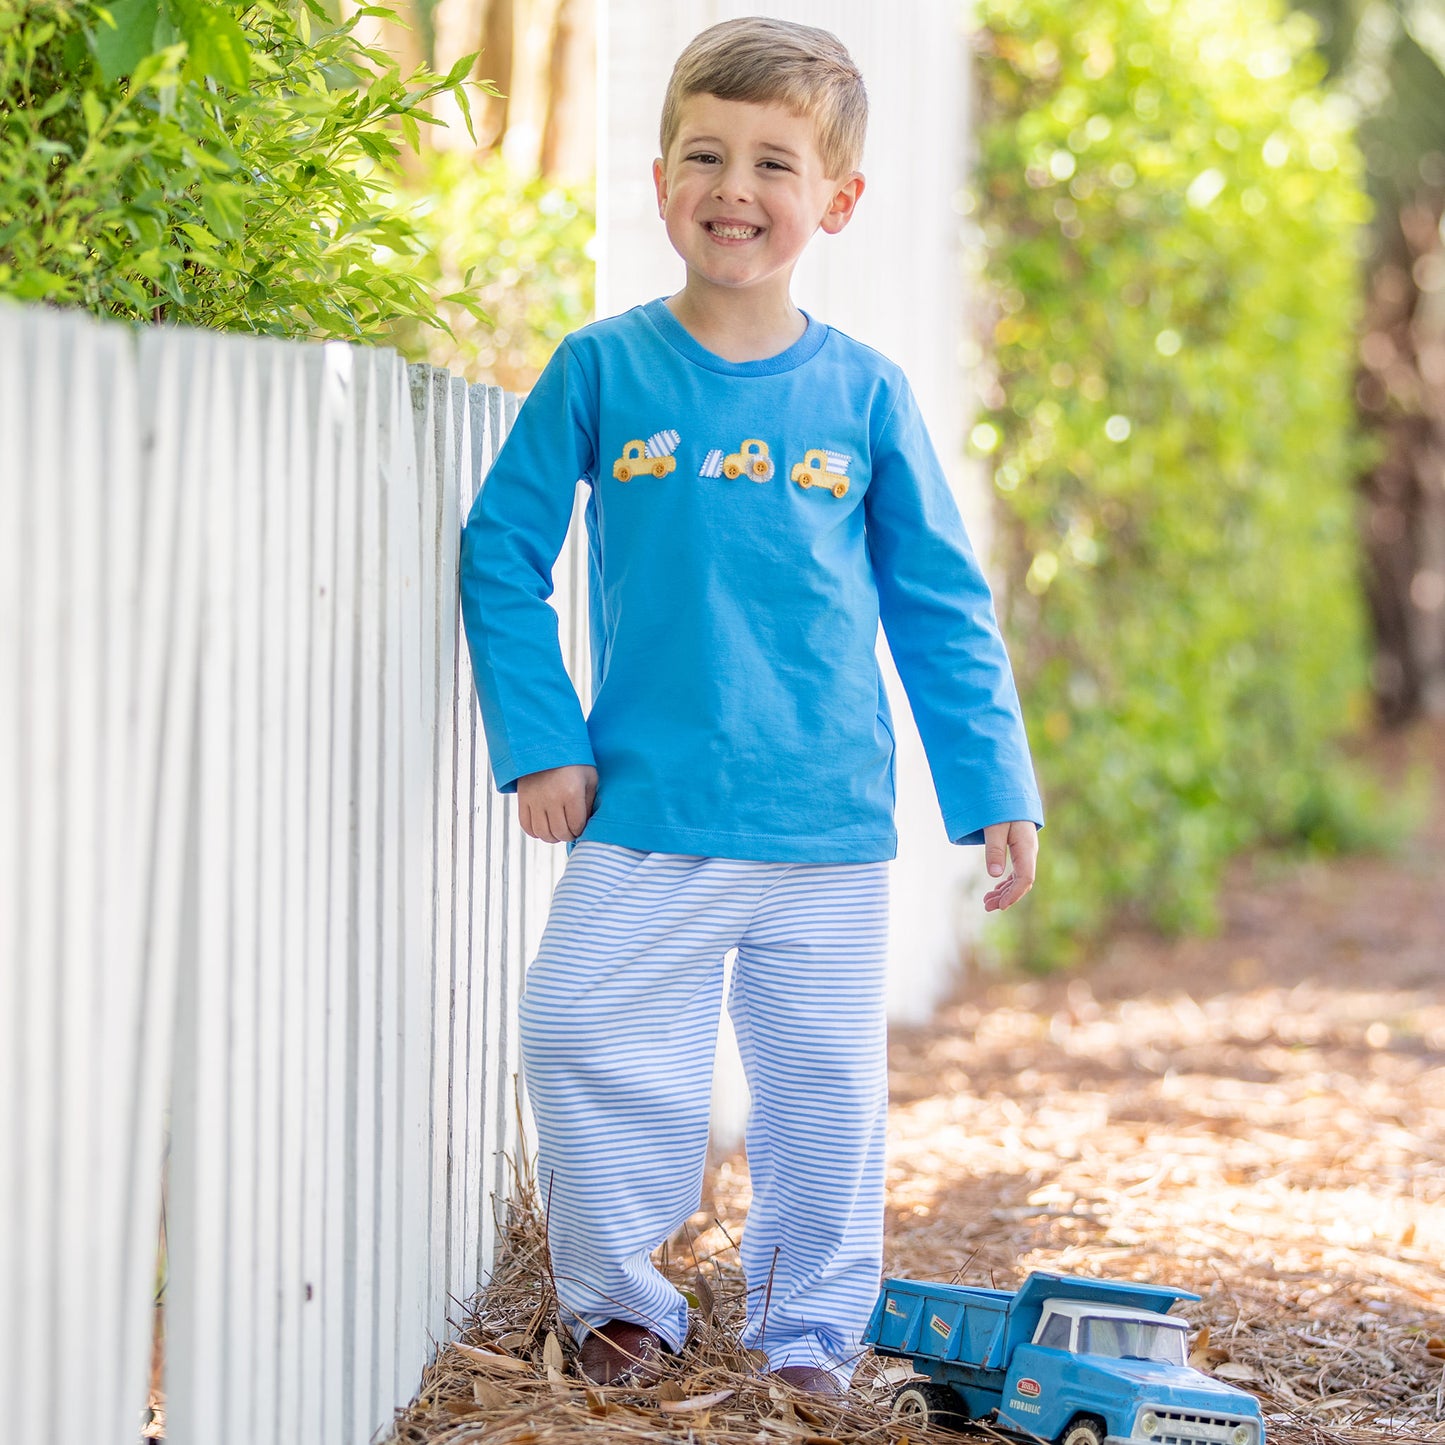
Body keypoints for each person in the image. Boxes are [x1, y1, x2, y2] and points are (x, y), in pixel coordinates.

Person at [459, 15, 1043, 1398]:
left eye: (774, 162)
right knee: (572, 1026)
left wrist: (994, 783)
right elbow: (501, 549)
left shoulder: (862, 394)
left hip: (825, 820)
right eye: (706, 154)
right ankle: (619, 1295)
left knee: (823, 1093)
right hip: (647, 802)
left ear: (833, 201)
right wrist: (540, 741)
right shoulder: (603, 370)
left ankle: (809, 1331)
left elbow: (941, 606)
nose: (736, 186)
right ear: (661, 181)